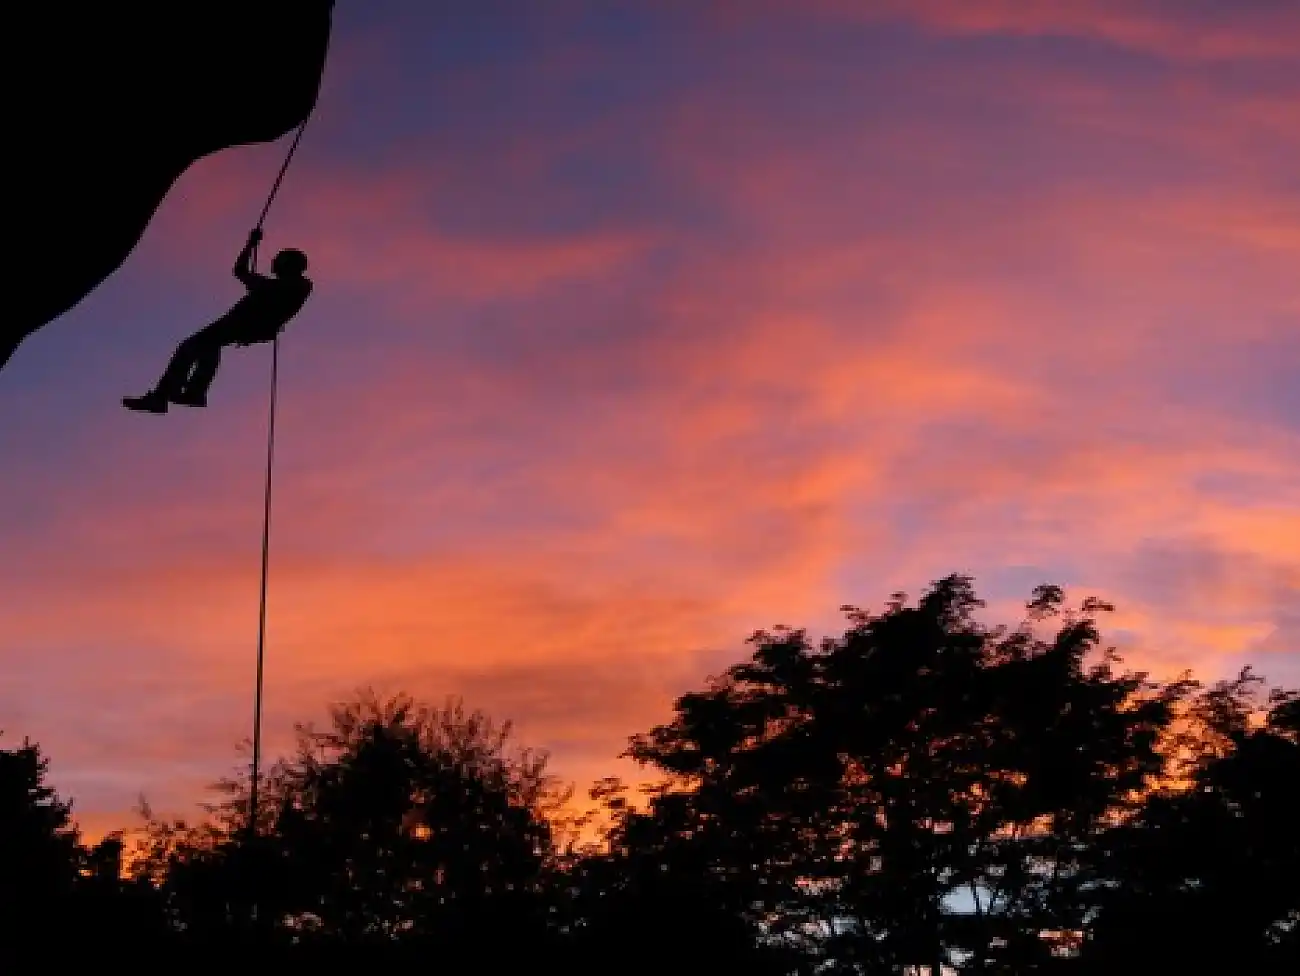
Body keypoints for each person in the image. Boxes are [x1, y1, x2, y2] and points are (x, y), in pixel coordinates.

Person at [123, 228, 312, 413]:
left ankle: (166, 396)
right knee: (208, 346)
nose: (274, 263)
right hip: (243, 324)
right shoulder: (279, 285)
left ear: (288, 264)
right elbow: (240, 271)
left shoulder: (297, 285)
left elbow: (260, 283)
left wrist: (252, 255)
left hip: (245, 324)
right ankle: (193, 393)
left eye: (278, 260)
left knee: (191, 346)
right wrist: (250, 245)